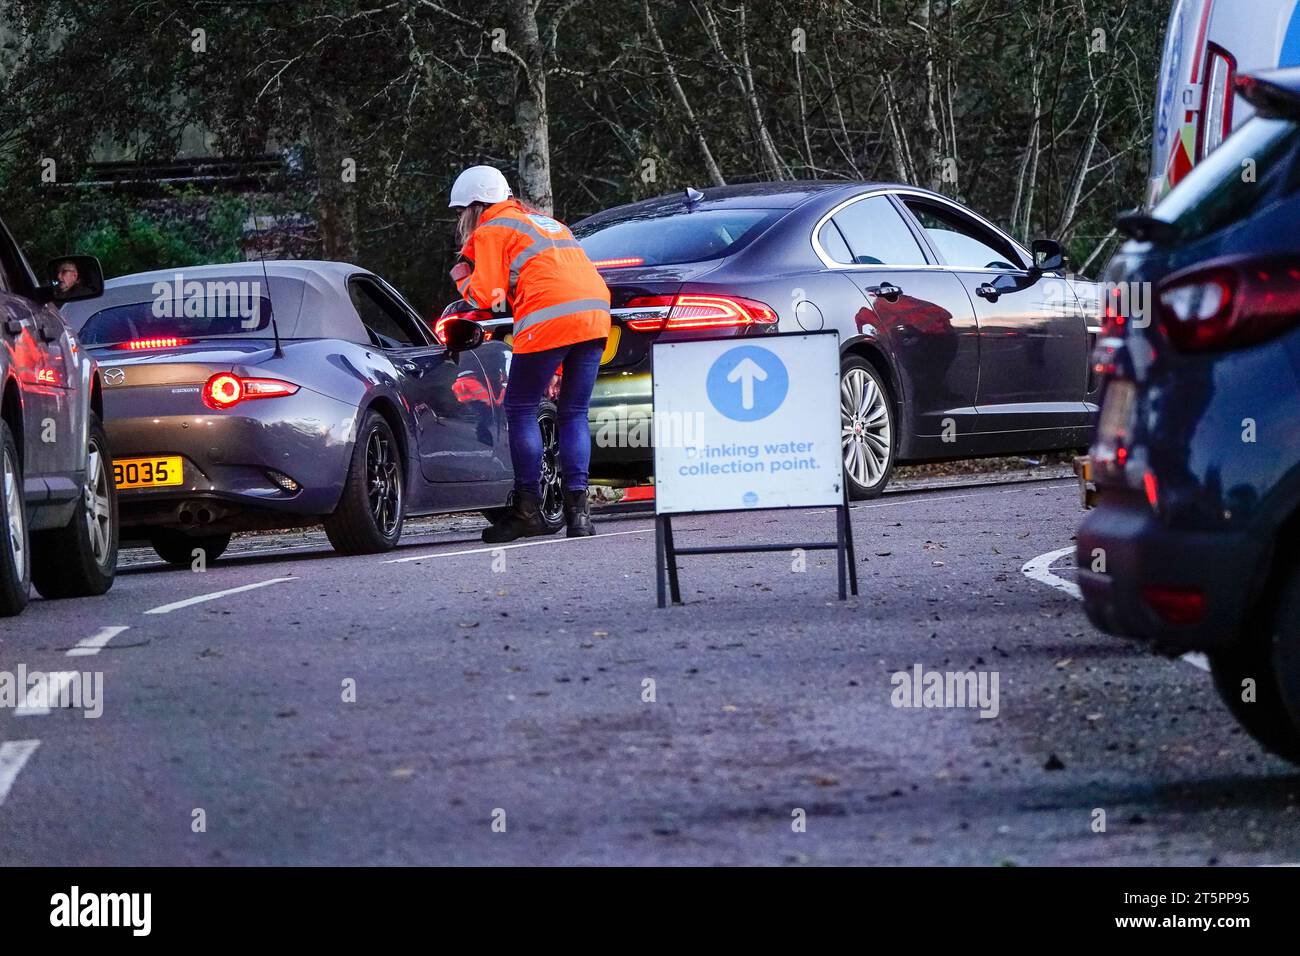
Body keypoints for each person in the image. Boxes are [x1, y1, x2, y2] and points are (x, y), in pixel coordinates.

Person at [448, 165, 611, 543]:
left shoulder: (491, 228)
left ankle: (528, 511)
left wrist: (461, 277)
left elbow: (487, 298)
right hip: (594, 315)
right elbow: (557, 278)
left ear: (475, 206)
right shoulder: (547, 224)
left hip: (549, 316)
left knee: (520, 408)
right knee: (573, 412)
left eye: (461, 213)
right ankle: (579, 515)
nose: (461, 221)